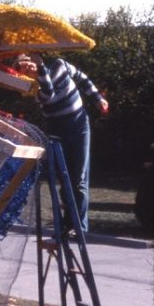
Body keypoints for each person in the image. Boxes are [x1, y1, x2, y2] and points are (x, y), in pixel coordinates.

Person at [16, 53, 109, 233]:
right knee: (64, 176)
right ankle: (67, 223)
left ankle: (79, 226)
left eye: (28, 65)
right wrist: (40, 68)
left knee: (79, 178)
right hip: (57, 130)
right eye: (23, 69)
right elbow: (48, 92)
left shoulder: (60, 65)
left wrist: (98, 98)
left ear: (33, 59)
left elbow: (82, 79)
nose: (28, 70)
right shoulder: (33, 89)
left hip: (80, 125)